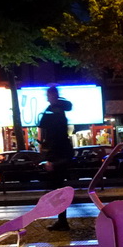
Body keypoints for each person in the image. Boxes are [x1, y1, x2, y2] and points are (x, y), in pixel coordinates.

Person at [37, 86, 75, 231]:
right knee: (58, 189)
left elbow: (50, 136)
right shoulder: (58, 108)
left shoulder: (53, 112)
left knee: (57, 189)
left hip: (57, 153)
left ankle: (62, 221)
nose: (48, 97)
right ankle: (62, 220)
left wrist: (50, 159)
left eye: (49, 95)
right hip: (61, 152)